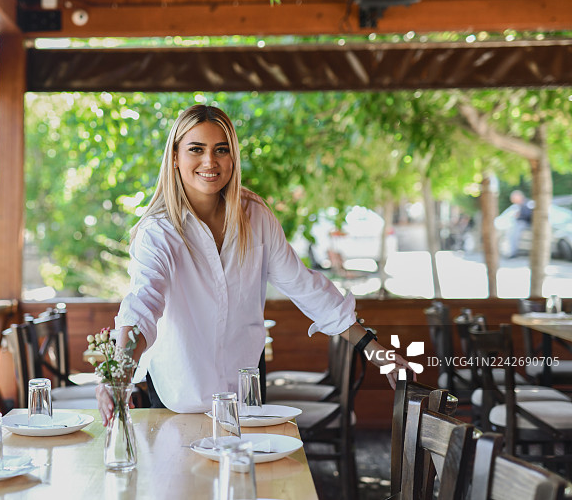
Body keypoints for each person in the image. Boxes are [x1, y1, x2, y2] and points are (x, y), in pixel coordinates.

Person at [96, 105, 410, 423]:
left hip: (246, 392)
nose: (210, 161)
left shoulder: (255, 215)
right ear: (175, 156)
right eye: (196, 149)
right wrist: (118, 374)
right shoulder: (158, 232)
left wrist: (372, 348)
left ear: (233, 157)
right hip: (178, 397)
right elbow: (142, 305)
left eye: (221, 150)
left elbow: (304, 286)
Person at [508, 190, 533, 258]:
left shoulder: (528, 203)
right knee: (512, 232)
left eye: (514, 198)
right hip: (521, 223)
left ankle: (513, 252)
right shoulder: (518, 206)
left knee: (514, 232)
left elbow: (529, 215)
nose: (513, 200)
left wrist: (519, 215)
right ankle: (513, 251)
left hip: (526, 223)